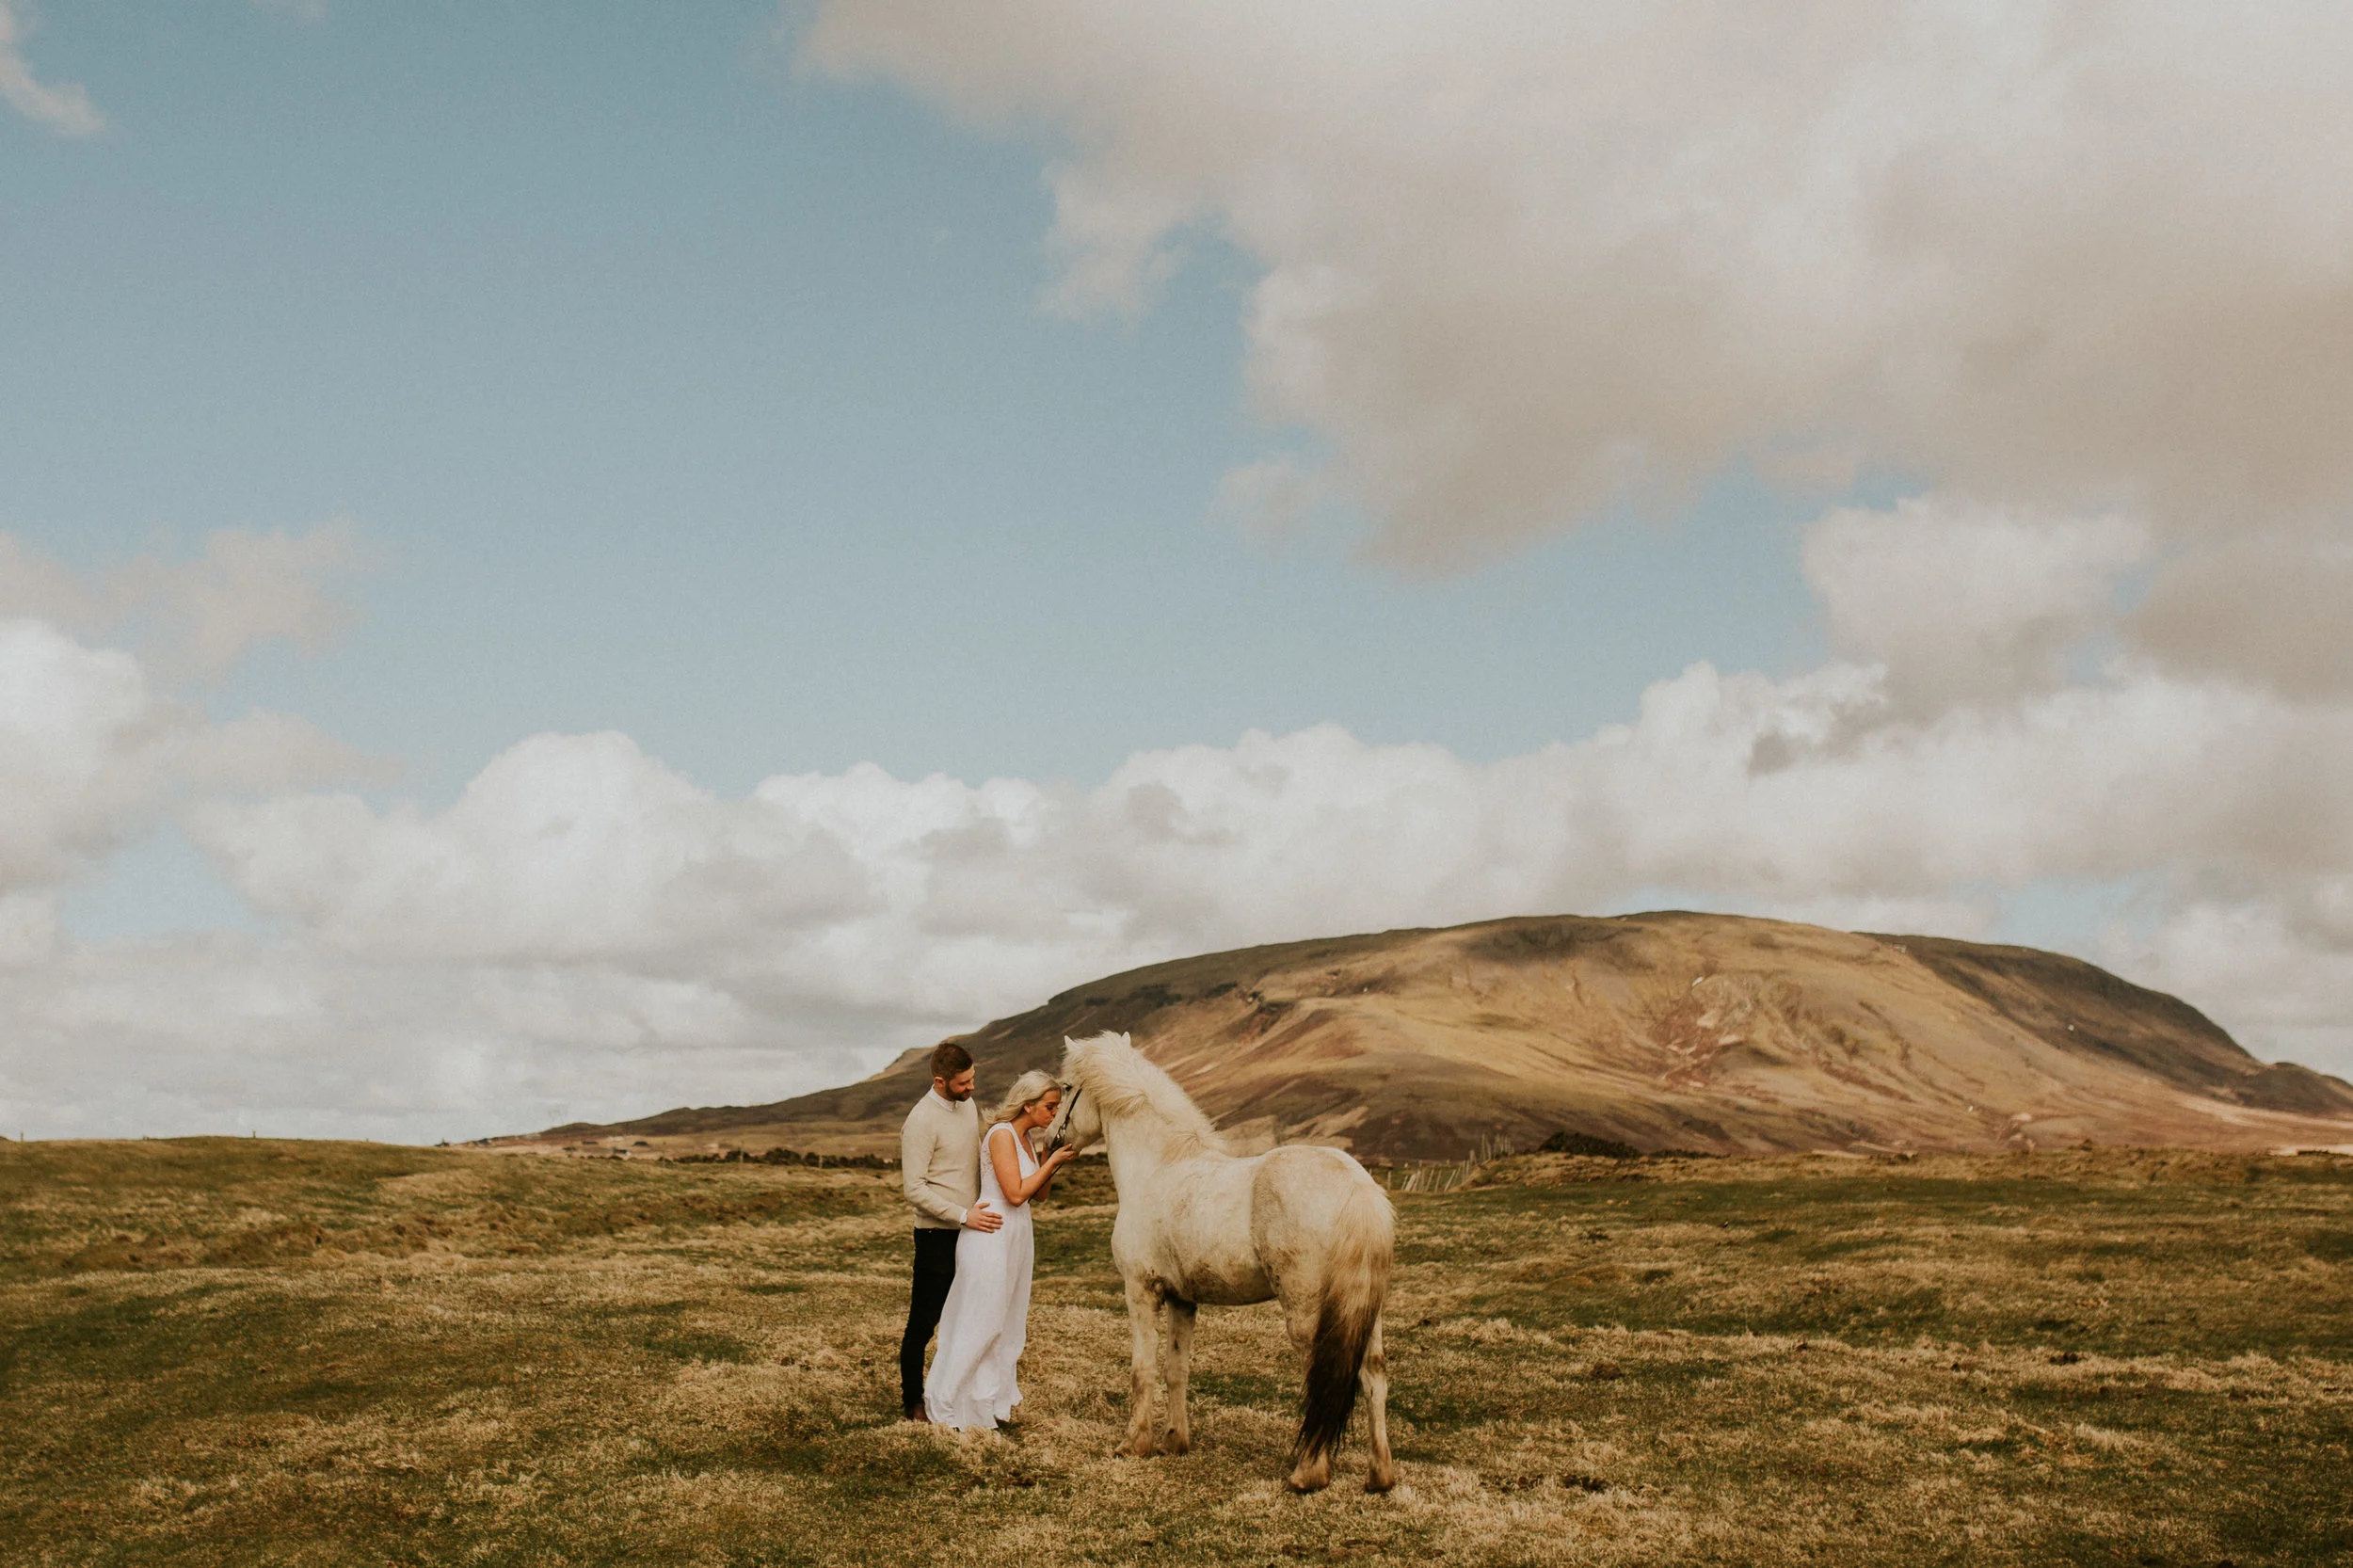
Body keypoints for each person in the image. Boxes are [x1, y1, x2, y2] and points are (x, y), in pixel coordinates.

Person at [922, 1070, 1077, 1430]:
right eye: (1049, 1107)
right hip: (991, 1233)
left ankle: (983, 1406)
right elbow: (1015, 1193)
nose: (1054, 1114)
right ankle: (945, 1406)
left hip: (1019, 1234)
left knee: (1007, 1322)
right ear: (1028, 1104)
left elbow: (1039, 1195)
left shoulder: (1026, 1139)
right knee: (981, 1321)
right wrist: (1051, 1164)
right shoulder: (1001, 1135)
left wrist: (1046, 1157)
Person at [899, 1040, 997, 1422]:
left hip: (971, 1232)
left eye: (973, 1079)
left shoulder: (968, 1106)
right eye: (963, 1083)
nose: (971, 1088)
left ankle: (960, 1394)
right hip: (937, 1237)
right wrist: (961, 1215)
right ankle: (912, 1400)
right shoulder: (920, 1121)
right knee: (923, 1322)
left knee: (969, 1318)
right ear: (940, 1081)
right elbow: (914, 1189)